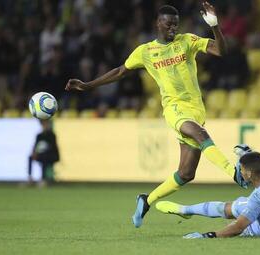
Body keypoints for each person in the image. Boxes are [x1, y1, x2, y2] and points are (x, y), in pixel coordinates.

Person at [64, 2, 247, 228]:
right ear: (157, 24)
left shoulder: (187, 41)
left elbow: (221, 51)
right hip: (174, 109)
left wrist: (214, 25)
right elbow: (121, 71)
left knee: (186, 173)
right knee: (201, 135)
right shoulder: (146, 51)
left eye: (176, 25)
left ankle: (146, 200)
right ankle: (234, 173)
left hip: (195, 109)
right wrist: (88, 85)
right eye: (169, 24)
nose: (173, 29)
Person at [156, 151, 260, 238]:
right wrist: (247, 152)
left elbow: (239, 228)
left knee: (228, 214)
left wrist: (207, 236)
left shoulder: (258, 198)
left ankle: (185, 210)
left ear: (249, 173)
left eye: (241, 169)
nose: (239, 171)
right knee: (235, 208)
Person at [28, 120, 60, 186]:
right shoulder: (39, 135)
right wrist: (34, 153)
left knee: (44, 157)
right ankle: (30, 178)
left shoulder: (52, 135)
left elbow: (52, 147)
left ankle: (43, 179)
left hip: (51, 155)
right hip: (41, 154)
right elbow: (35, 146)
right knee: (30, 157)